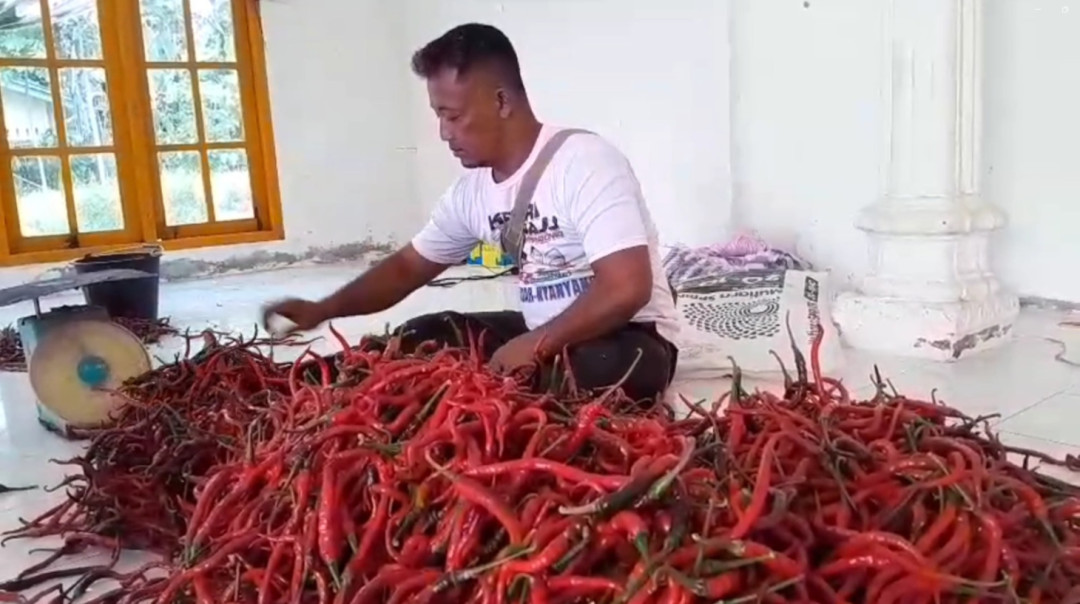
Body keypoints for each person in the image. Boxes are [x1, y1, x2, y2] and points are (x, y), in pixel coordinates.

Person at [263, 23, 679, 402]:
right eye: (438, 116)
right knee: (425, 335)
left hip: (630, 335)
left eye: (453, 115)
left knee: (593, 371)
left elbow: (627, 288)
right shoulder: (471, 192)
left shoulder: (584, 162)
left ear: (501, 101)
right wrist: (324, 309)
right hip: (543, 330)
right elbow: (408, 267)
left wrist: (535, 346)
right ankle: (295, 387)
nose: (444, 133)